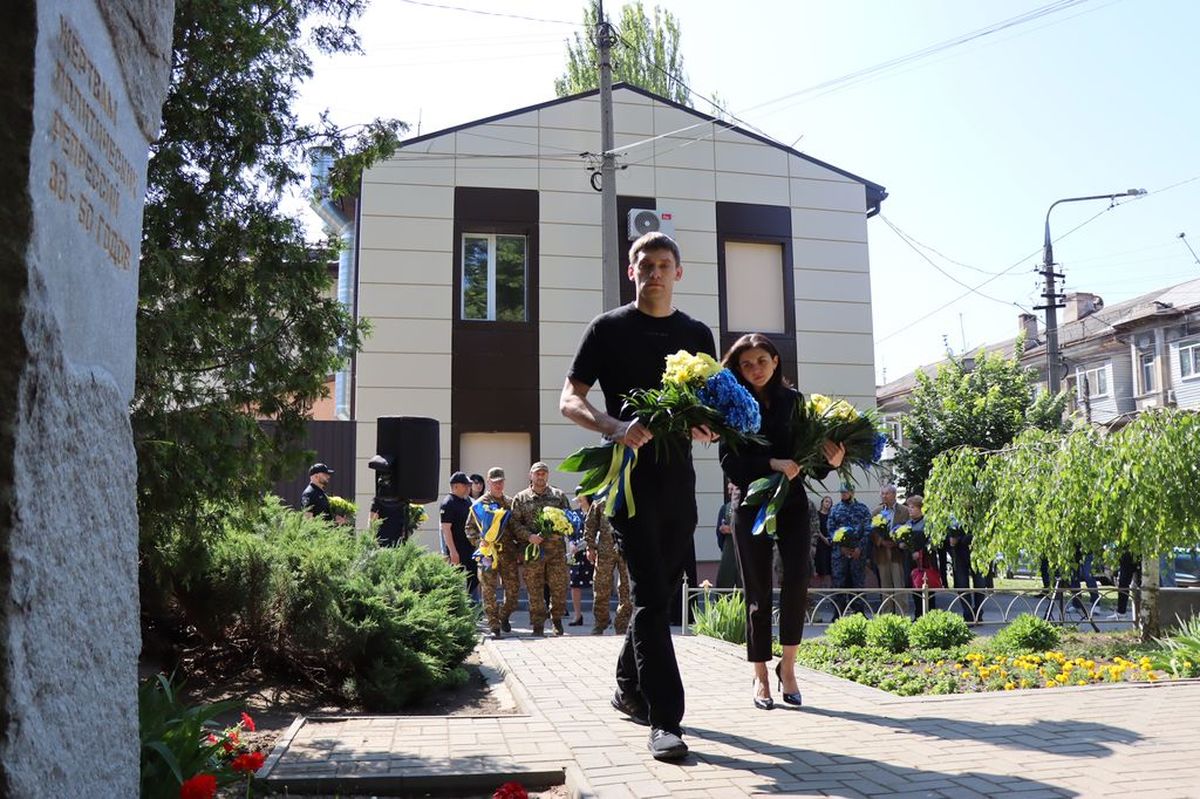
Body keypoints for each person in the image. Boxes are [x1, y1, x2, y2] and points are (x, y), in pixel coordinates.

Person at [559, 230, 716, 761]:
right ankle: (664, 720)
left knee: (661, 591)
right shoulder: (606, 329)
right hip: (627, 482)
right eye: (644, 265)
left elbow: (709, 405)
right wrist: (613, 425)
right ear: (631, 271)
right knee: (650, 594)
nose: (654, 273)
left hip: (680, 481)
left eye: (663, 265)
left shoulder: (697, 333)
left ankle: (628, 685)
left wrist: (708, 426)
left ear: (679, 272)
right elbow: (569, 400)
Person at [718, 333, 844, 710]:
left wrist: (832, 461)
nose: (755, 368)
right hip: (749, 501)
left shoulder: (795, 402)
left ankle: (788, 669)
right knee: (756, 589)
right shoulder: (732, 404)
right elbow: (730, 462)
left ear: (775, 361)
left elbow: (809, 458)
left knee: (798, 579)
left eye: (761, 360)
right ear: (738, 368)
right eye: (746, 363)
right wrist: (771, 464)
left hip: (792, 501)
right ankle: (759, 677)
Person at [509, 462, 573, 637]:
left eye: (544, 473)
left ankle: (557, 620)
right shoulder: (521, 498)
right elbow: (513, 524)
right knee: (534, 589)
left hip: (556, 551)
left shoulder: (558, 496)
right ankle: (538, 624)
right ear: (531, 475)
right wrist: (529, 536)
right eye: (537, 473)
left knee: (559, 587)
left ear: (548, 475)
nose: (541, 476)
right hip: (533, 551)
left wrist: (561, 531)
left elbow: (569, 519)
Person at [466, 466, 516, 638]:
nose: (498, 485)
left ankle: (503, 616)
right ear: (488, 482)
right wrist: (480, 542)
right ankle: (494, 625)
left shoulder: (510, 503)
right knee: (488, 590)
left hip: (507, 554)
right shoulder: (479, 505)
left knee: (513, 591)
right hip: (488, 554)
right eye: (495, 482)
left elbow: (516, 527)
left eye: (501, 482)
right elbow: (469, 528)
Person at [582, 490, 632, 636]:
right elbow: (590, 524)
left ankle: (621, 624)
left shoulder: (630, 497)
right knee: (601, 588)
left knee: (626, 588)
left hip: (626, 549)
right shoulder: (600, 500)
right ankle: (600, 622)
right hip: (605, 550)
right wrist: (590, 547)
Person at [828, 483, 872, 618]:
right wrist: (841, 547)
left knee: (857, 582)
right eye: (841, 493)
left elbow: (867, 530)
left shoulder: (862, 509)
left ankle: (859, 613)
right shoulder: (835, 509)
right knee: (839, 582)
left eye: (845, 492)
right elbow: (831, 529)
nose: (843, 495)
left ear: (852, 492)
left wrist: (859, 547)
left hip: (857, 553)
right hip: (840, 554)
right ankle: (838, 613)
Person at [872, 484, 911, 616]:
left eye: (886, 493)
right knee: (885, 586)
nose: (884, 496)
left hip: (897, 554)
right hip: (882, 553)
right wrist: (881, 541)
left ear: (894, 495)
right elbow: (871, 531)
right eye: (882, 494)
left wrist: (897, 541)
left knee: (899, 585)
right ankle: (887, 615)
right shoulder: (876, 511)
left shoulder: (904, 511)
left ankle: (902, 615)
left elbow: (908, 529)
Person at [439, 472, 478, 599]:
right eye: (465, 485)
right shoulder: (448, 503)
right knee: (455, 584)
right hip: (457, 550)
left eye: (469, 485)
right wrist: (452, 552)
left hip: (470, 549)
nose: (468, 488)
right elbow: (446, 529)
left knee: (473, 580)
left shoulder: (467, 501)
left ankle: (473, 611)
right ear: (455, 486)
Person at [904, 494, 936, 618]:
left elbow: (932, 541)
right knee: (915, 587)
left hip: (925, 561)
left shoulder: (927, 523)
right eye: (908, 507)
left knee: (927, 587)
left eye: (912, 507)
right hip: (911, 561)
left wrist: (921, 552)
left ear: (920, 508)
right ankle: (918, 615)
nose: (909, 510)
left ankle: (930, 615)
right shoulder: (908, 523)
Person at [567, 495, 594, 626]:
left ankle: (601, 616)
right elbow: (570, 531)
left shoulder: (595, 511)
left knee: (598, 585)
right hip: (576, 553)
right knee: (575, 584)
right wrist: (571, 543)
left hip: (592, 551)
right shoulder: (574, 514)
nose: (578, 500)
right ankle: (577, 616)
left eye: (581, 497)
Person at [715, 481, 742, 589]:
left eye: (735, 489)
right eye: (731, 490)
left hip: (744, 550)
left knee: (743, 582)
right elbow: (719, 532)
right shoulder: (725, 508)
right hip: (728, 549)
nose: (732, 492)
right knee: (724, 580)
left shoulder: (748, 508)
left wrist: (731, 530)